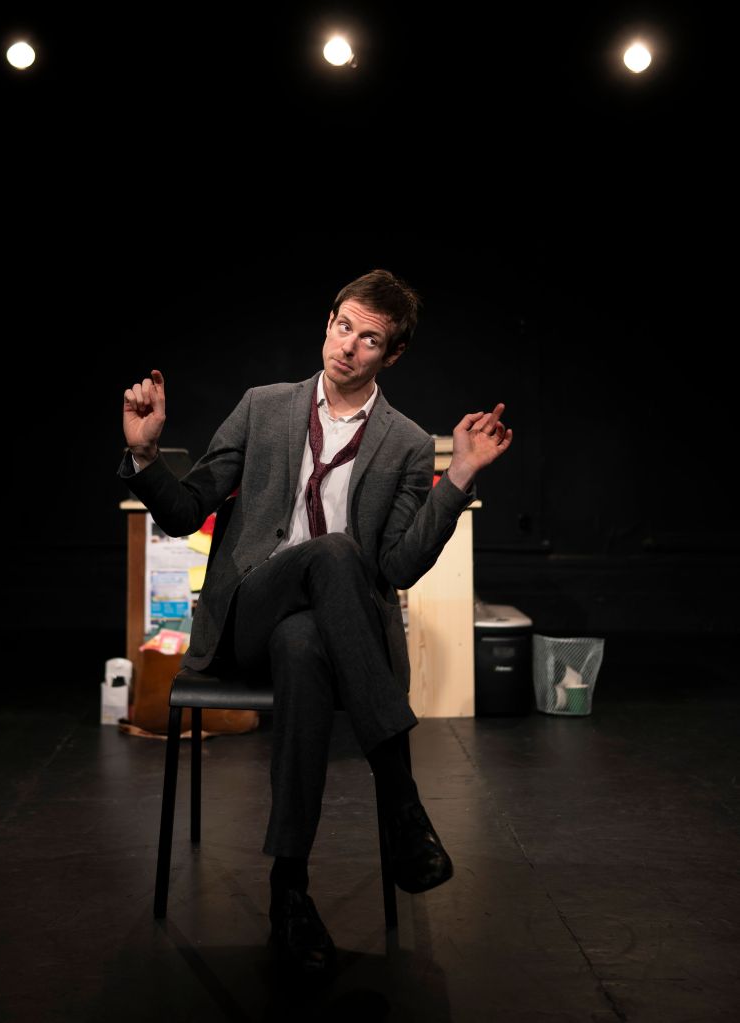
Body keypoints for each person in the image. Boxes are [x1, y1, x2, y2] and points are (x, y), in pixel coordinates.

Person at [118, 269, 512, 974]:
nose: (349, 347)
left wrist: (458, 479)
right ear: (327, 321)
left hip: (325, 638)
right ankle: (400, 796)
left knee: (303, 639)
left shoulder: (405, 444)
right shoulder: (263, 407)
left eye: (370, 339)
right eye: (343, 326)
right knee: (330, 552)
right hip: (245, 620)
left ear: (389, 356)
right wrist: (146, 452)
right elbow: (184, 514)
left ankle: (288, 891)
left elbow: (395, 568)